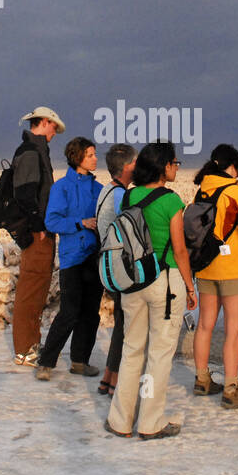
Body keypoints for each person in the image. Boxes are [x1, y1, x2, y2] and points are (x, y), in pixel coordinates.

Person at [105, 142, 198, 440]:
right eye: (174, 162)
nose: (177, 167)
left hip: (133, 282)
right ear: (163, 166)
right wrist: (190, 285)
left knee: (132, 350)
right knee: (159, 354)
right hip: (165, 282)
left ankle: (120, 420)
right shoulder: (172, 201)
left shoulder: (130, 195)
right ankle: (149, 421)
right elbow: (180, 249)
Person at [190, 144, 238, 407]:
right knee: (233, 330)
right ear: (233, 167)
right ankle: (232, 389)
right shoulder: (235, 193)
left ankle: (202, 379)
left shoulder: (203, 190)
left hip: (206, 266)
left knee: (205, 325)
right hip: (233, 268)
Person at [36, 138, 104, 381]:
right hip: (72, 258)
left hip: (94, 257)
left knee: (90, 313)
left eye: (95, 154)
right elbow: (51, 222)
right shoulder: (62, 187)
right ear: (77, 158)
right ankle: (46, 362)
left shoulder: (99, 189)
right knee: (69, 312)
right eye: (90, 155)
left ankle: (79, 361)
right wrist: (81, 223)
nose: (95, 158)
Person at [10, 107, 63, 367]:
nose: (55, 131)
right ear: (43, 122)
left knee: (37, 288)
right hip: (36, 234)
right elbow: (25, 193)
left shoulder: (37, 150)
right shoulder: (31, 152)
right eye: (53, 126)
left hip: (41, 231)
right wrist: (38, 225)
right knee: (31, 290)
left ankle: (30, 344)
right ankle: (24, 350)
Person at [94, 144, 137, 396]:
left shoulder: (107, 190)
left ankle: (108, 378)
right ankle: (115, 382)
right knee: (125, 325)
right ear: (127, 166)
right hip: (120, 267)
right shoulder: (121, 195)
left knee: (121, 322)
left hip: (107, 266)